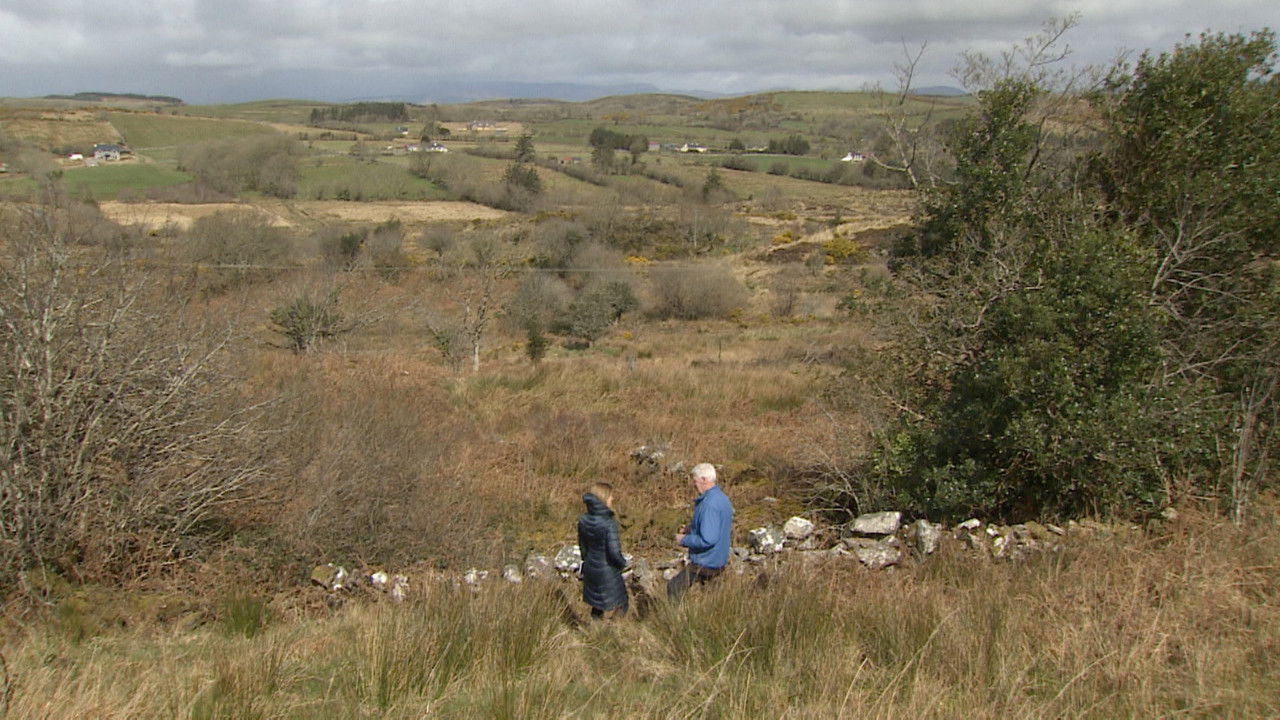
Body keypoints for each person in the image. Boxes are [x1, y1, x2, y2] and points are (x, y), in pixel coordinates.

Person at [668, 463, 734, 600]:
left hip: (706, 561)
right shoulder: (722, 498)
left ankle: (676, 619)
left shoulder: (709, 504)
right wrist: (691, 529)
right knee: (710, 597)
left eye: (695, 481)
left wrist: (684, 540)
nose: (694, 485)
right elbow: (714, 526)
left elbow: (708, 539)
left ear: (704, 479)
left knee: (673, 588)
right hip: (719, 559)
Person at [577, 482, 629, 619]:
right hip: (608, 570)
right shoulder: (609, 523)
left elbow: (583, 547)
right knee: (622, 603)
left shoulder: (583, 520)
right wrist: (623, 563)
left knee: (597, 605)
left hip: (591, 568)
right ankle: (612, 632)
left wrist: (588, 562)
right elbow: (613, 552)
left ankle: (596, 632)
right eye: (611, 496)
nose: (613, 499)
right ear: (604, 498)